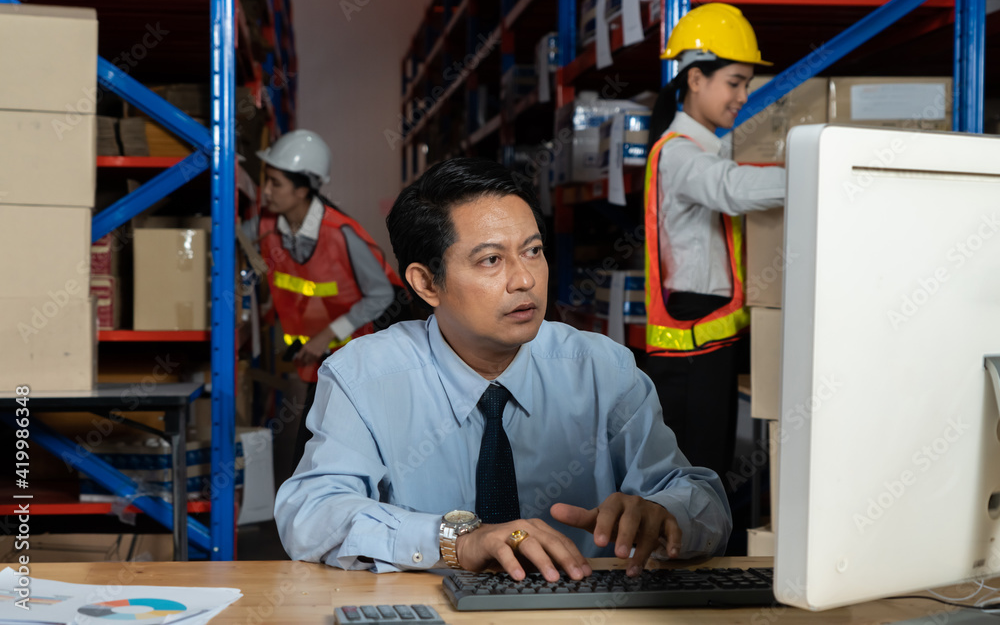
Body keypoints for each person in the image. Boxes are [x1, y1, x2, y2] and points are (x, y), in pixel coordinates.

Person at [274, 157, 731, 579]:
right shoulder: (364, 376)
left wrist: (664, 514)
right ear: (426, 282)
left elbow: (704, 502)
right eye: (492, 260)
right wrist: (455, 541)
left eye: (532, 251)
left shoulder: (602, 369)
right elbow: (310, 513)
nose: (525, 279)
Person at [642, 3, 786, 488]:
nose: (743, 96)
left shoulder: (707, 149)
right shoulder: (680, 153)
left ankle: (703, 560)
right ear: (697, 79)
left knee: (711, 473)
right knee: (693, 479)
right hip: (691, 344)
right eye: (735, 82)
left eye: (747, 83)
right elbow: (732, 189)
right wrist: (819, 168)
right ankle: (684, 565)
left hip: (710, 335)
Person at [256, 130, 404, 466]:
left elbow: (382, 294)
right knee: (318, 447)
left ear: (303, 188)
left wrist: (326, 335)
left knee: (327, 450)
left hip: (358, 357)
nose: (266, 191)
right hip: (319, 359)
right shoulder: (268, 228)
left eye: (275, 183)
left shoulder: (341, 234)